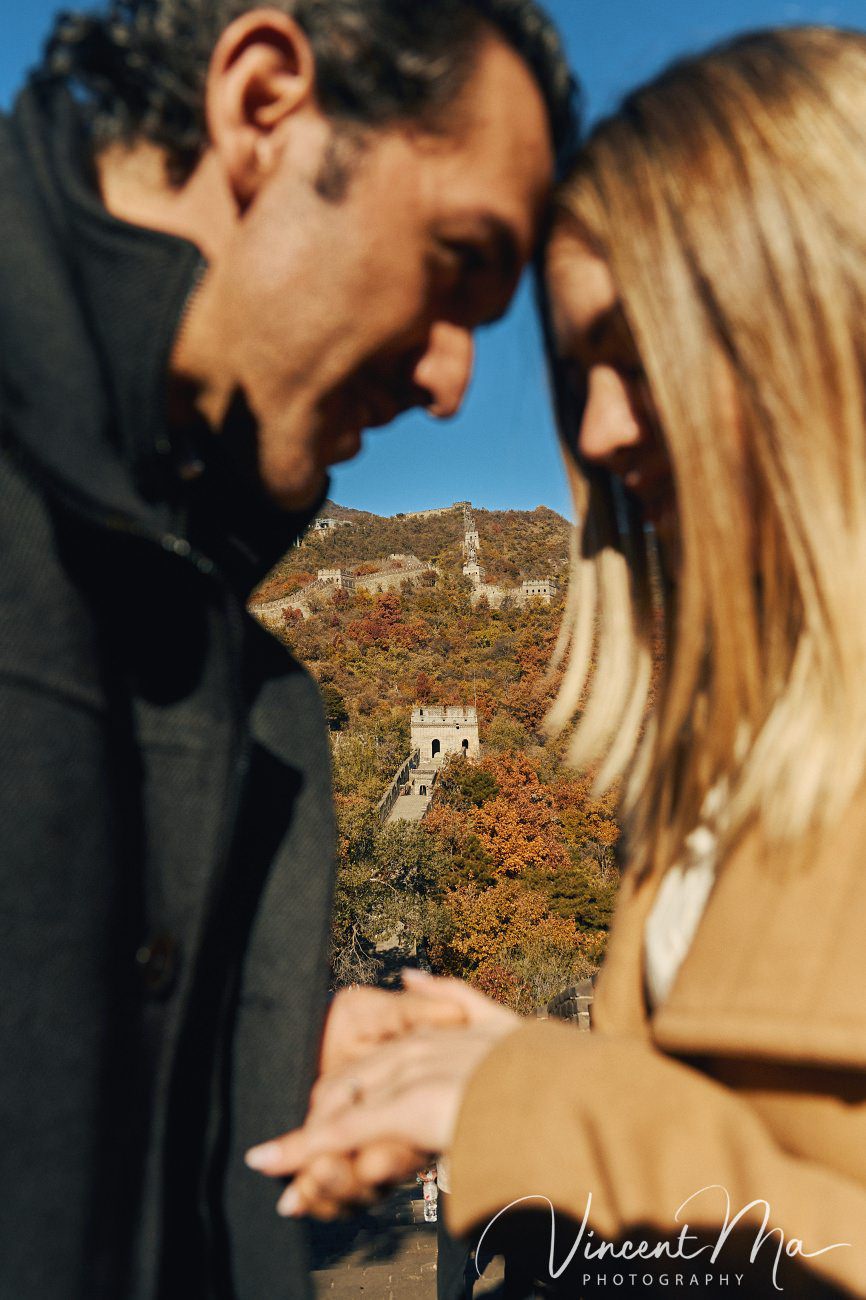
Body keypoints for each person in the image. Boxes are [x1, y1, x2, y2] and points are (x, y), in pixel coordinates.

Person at [245, 25, 866, 1297]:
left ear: (814, 312)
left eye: (639, 354)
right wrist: (507, 1072)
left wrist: (539, 1104)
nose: (593, 427)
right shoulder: (718, 769)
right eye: (582, 371)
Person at [0, 1, 576, 1296]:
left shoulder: (247, 674)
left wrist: (265, 1038)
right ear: (263, 105)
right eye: (454, 260)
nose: (451, 382)